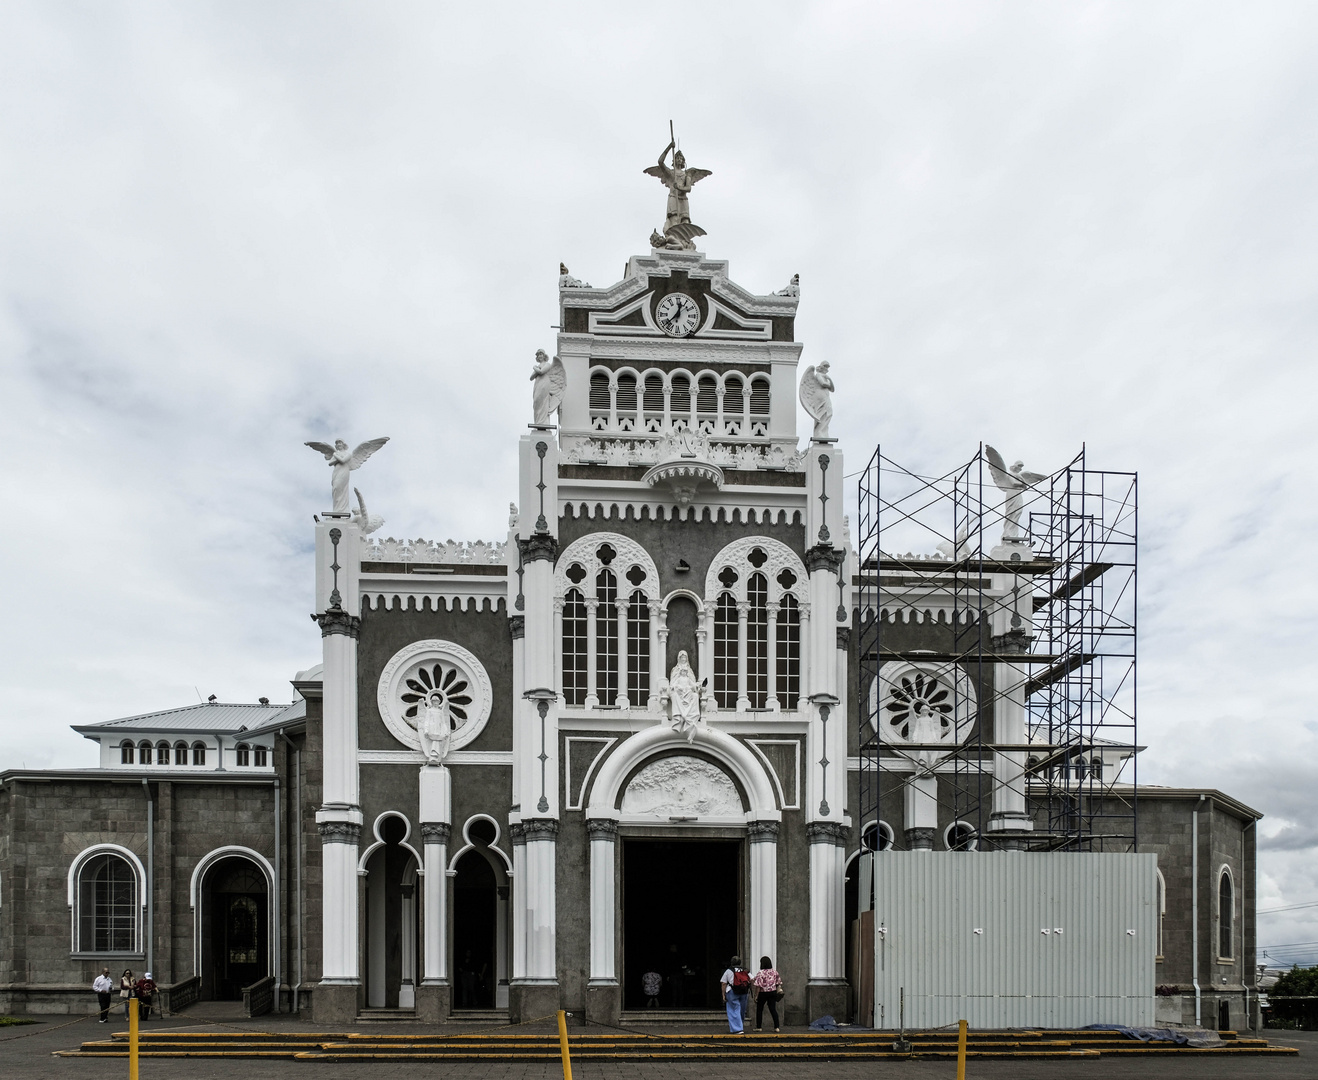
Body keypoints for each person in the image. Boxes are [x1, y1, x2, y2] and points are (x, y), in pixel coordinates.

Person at [719, 955, 751, 1034]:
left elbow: (723, 983)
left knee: (733, 1009)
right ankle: (740, 1025)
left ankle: (737, 1029)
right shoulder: (744, 970)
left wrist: (723, 995)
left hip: (732, 991)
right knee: (742, 1010)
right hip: (743, 991)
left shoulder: (729, 971)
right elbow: (752, 979)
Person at [752, 955, 783, 1033]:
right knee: (773, 1009)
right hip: (772, 992)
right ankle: (777, 1027)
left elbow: (758, 985)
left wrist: (756, 995)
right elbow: (778, 982)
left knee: (759, 1009)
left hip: (763, 993)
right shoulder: (774, 972)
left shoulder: (760, 973)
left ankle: (759, 1027)